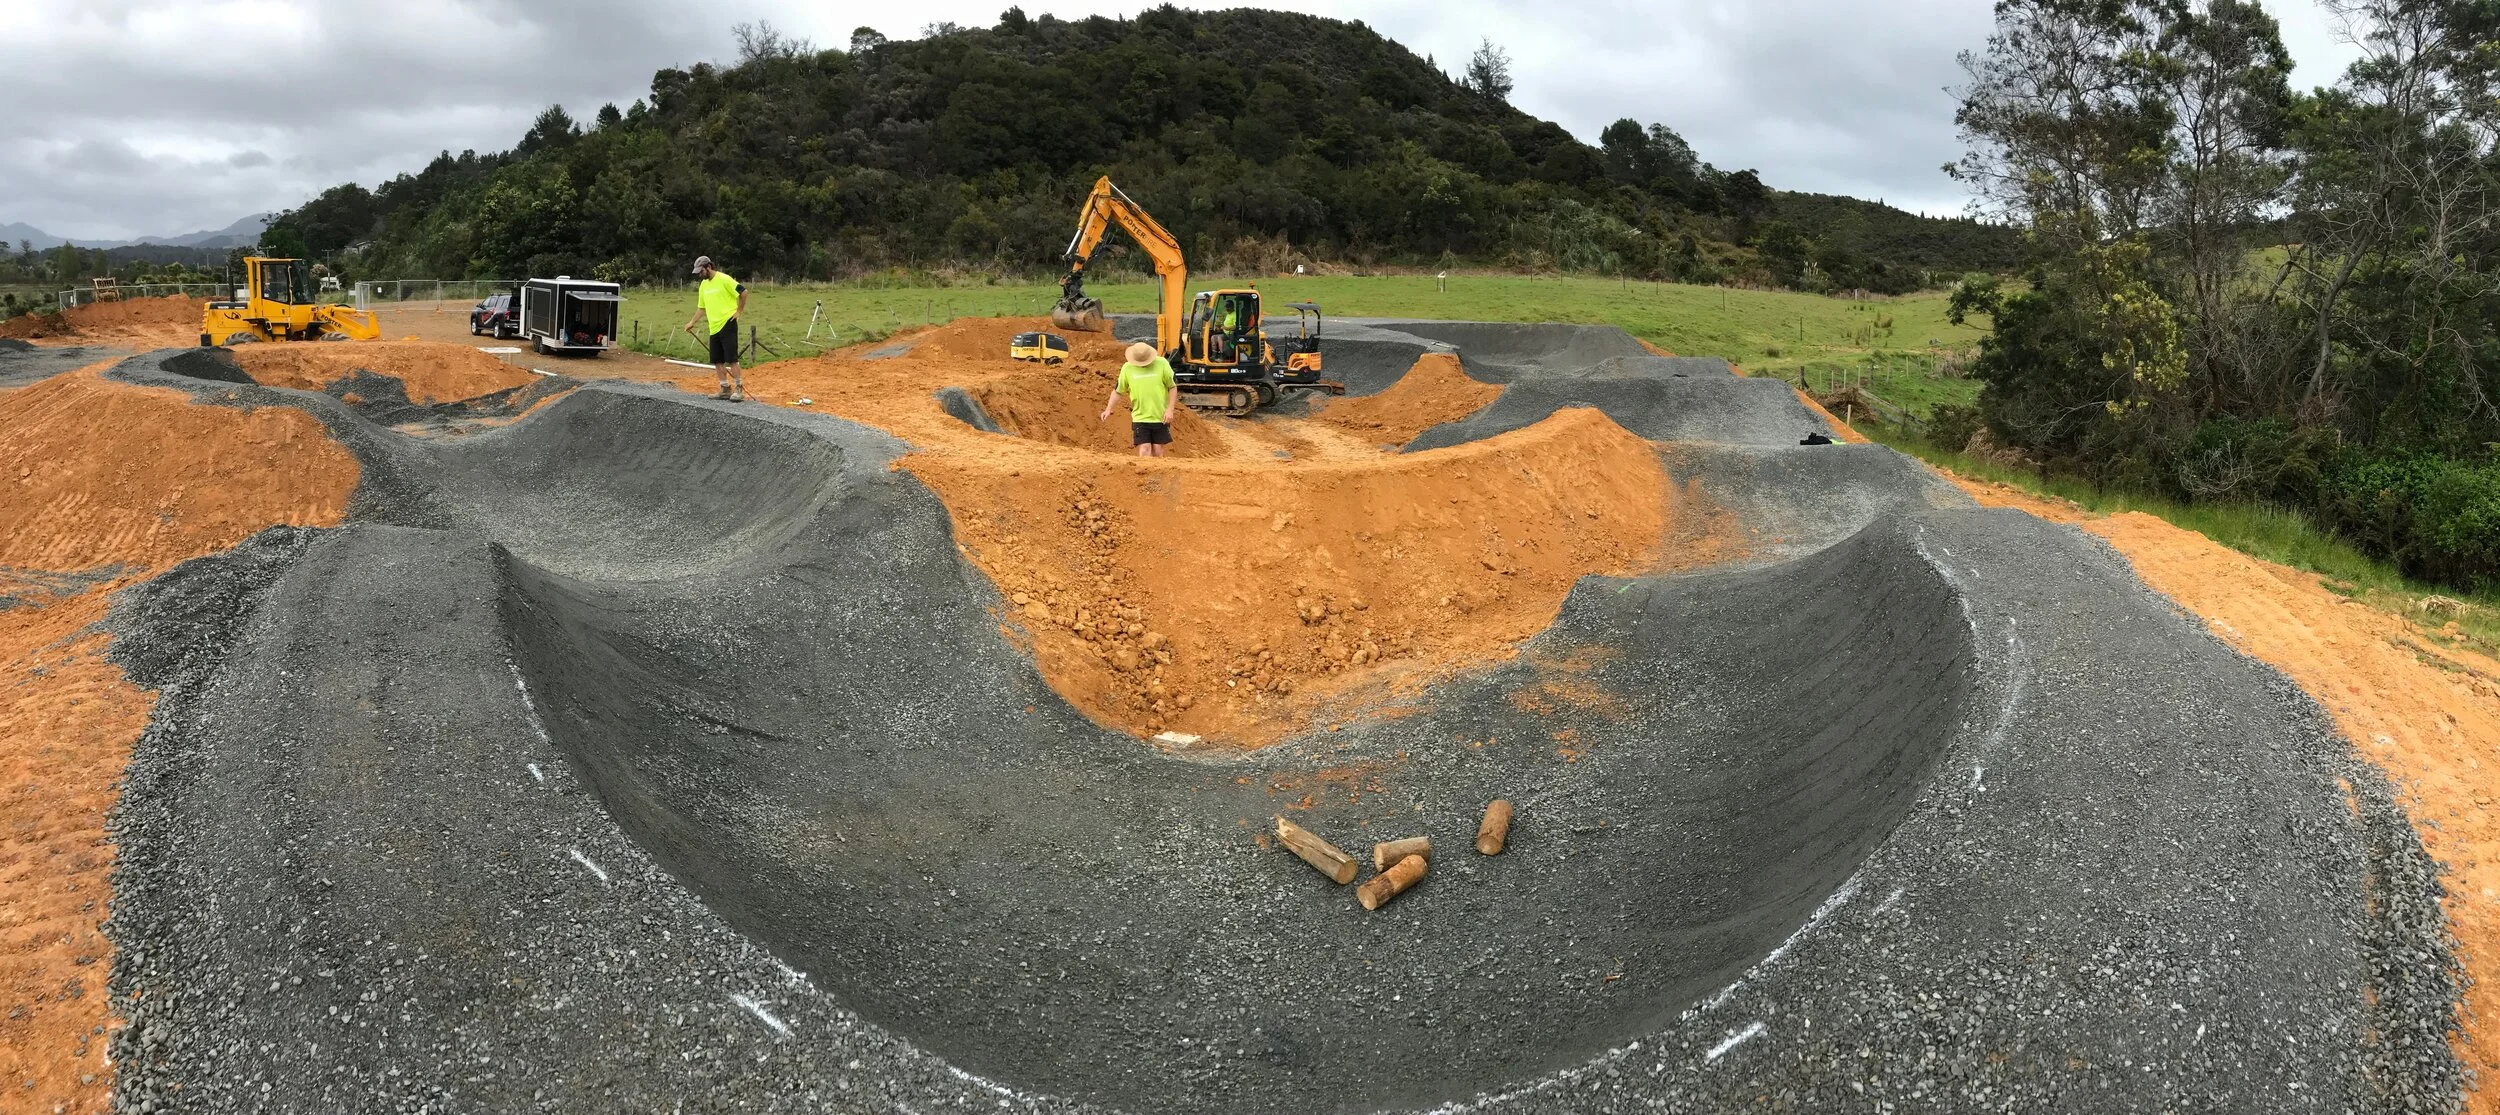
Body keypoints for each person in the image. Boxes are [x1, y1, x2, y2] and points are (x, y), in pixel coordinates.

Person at [682, 255, 748, 401]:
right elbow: (701, 308)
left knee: (732, 358)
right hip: (714, 327)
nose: (700, 275)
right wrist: (692, 322)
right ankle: (724, 388)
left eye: (701, 271)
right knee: (717, 360)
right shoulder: (703, 286)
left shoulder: (725, 279)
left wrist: (739, 311)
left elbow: (743, 292)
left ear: (708, 267)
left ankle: (738, 388)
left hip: (728, 323)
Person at [1100, 341, 1180, 457]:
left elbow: (1172, 387)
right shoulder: (1127, 368)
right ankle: (1145, 474)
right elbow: (1118, 391)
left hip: (1160, 417)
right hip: (1140, 417)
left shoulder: (1162, 364)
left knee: (1157, 450)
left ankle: (1158, 474)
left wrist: (1170, 410)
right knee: (1145, 449)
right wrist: (1108, 409)